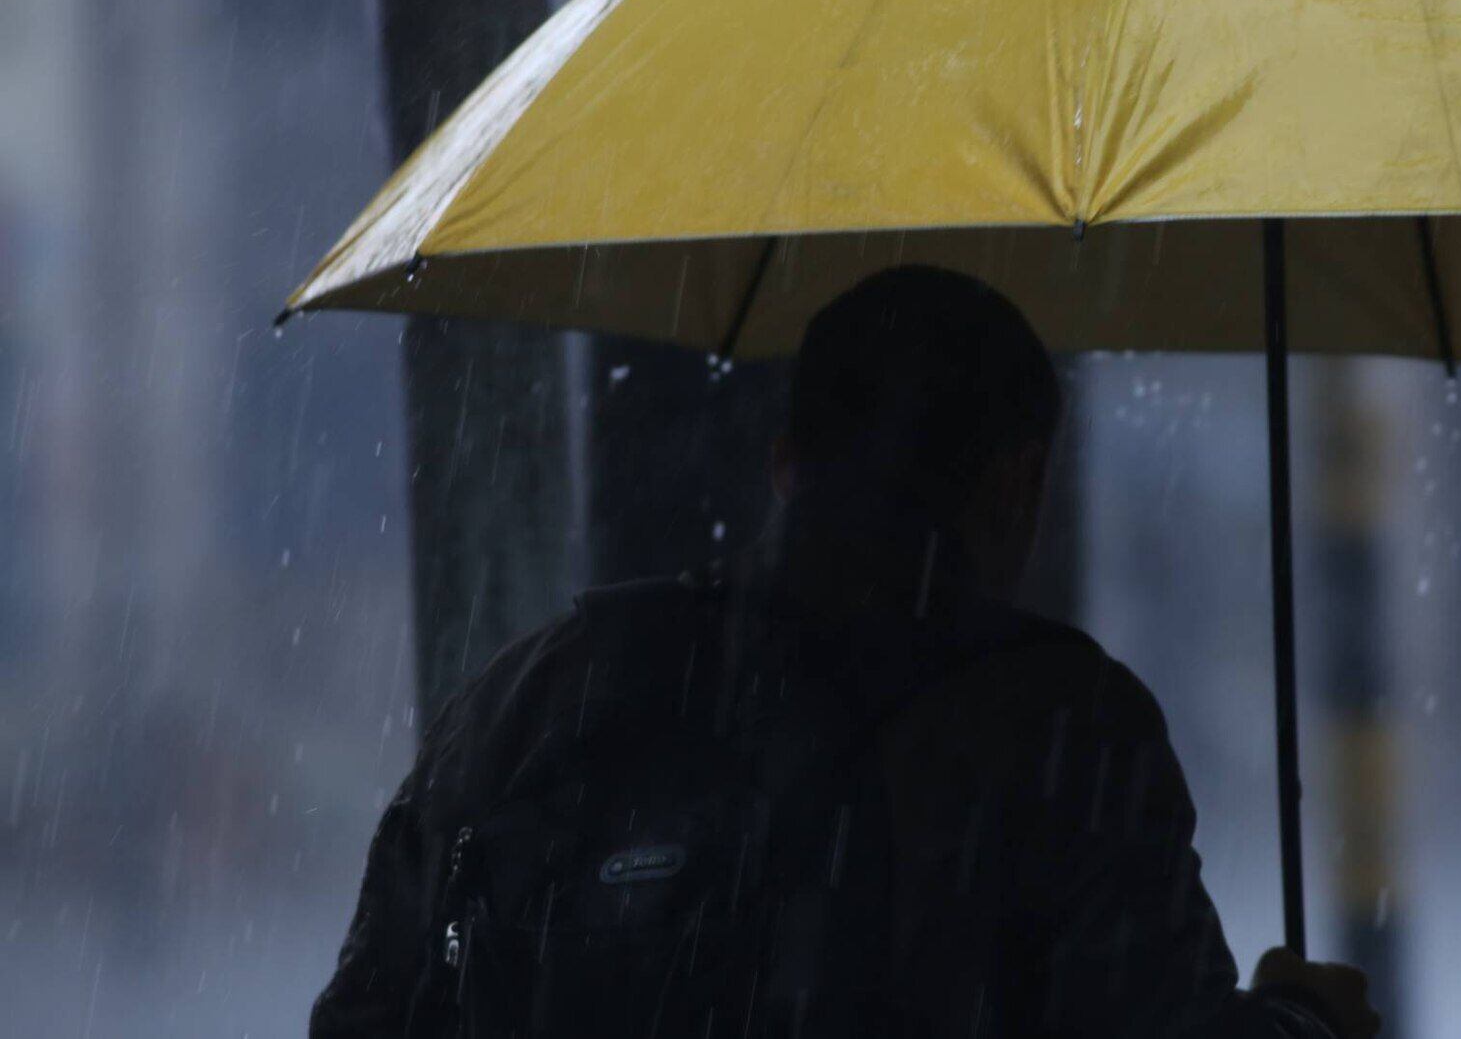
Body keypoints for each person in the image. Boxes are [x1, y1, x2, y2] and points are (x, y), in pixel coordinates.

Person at [312, 265, 1378, 1038]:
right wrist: (1301, 1019)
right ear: (1016, 483)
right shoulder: (1062, 732)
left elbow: (367, 1011)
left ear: (787, 466)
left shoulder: (537, 695)